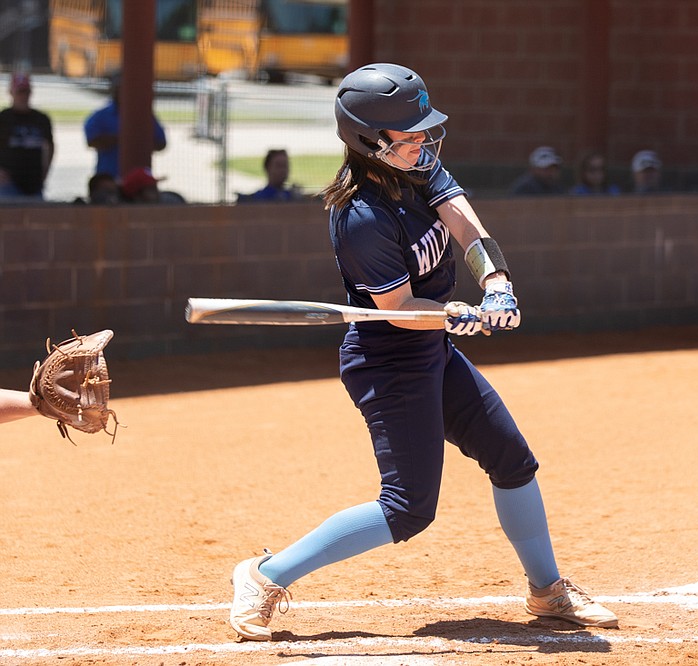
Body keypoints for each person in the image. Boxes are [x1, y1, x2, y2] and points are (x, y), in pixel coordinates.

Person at [227, 62, 617, 642]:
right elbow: (399, 309)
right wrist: (454, 313)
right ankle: (264, 575)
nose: (423, 143)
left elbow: (465, 224)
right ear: (370, 142)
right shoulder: (360, 217)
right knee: (407, 508)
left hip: (432, 346)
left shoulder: (414, 165)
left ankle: (547, 590)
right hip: (388, 362)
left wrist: (495, 284)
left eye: (422, 132)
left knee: (512, 460)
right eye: (408, 135)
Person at [83, 72, 167, 179]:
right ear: (113, 90)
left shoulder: (145, 115)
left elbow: (161, 143)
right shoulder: (101, 116)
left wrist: (139, 142)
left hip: (139, 178)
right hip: (109, 176)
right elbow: (92, 141)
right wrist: (123, 138)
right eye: (119, 88)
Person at [0, 73, 54, 199]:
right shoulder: (3, 118)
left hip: (34, 182)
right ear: (11, 93)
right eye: (19, 92)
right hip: (9, 183)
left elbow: (50, 145)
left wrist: (45, 170)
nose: (23, 96)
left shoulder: (41, 119)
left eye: (26, 92)